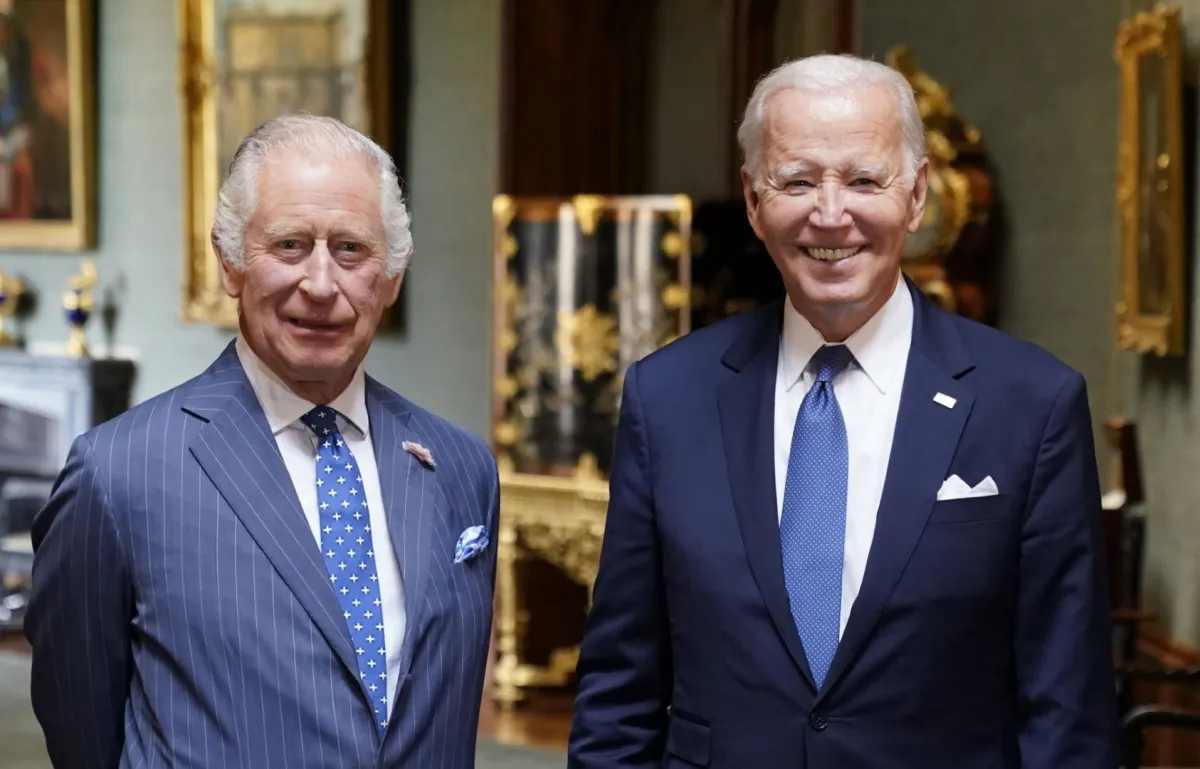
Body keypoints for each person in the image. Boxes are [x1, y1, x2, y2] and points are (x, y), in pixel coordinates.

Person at [568, 54, 1118, 768]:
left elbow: (1068, 709)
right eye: (797, 181)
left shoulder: (1031, 404)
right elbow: (619, 690)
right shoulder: (667, 398)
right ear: (752, 199)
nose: (831, 215)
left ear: (916, 196)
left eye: (864, 179)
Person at [26, 114, 499, 768]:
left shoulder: (461, 469)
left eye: (352, 249)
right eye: (290, 245)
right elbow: (81, 729)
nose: (321, 284)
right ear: (230, 260)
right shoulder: (118, 475)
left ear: (390, 277)